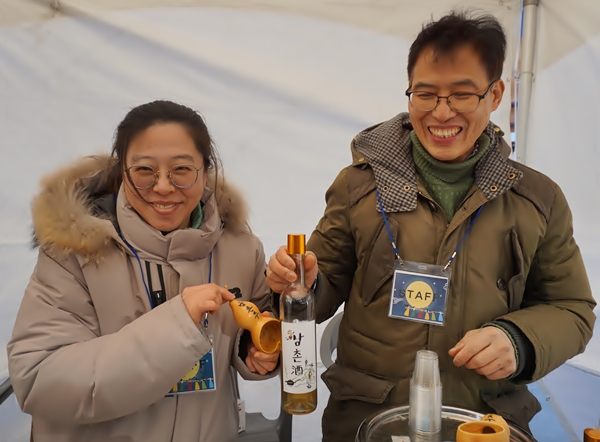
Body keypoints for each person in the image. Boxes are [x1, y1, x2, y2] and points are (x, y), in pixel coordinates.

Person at [267, 11, 596, 440]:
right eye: (425, 94)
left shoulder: (536, 199)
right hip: (368, 420)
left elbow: (572, 309)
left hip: (483, 423)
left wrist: (520, 340)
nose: (441, 113)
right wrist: (302, 281)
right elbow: (323, 281)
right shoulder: (360, 186)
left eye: (462, 94)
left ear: (495, 94)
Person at [7, 100, 279, 442]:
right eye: (144, 170)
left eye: (182, 169)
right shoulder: (75, 253)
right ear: (123, 171)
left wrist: (252, 350)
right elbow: (39, 379)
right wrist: (176, 324)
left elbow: (252, 325)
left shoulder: (241, 248)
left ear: (204, 170)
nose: (163, 186)